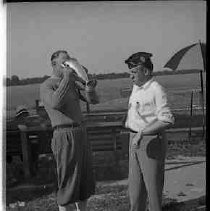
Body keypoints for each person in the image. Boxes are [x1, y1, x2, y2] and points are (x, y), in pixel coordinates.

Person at [40, 50, 95, 211]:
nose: (68, 65)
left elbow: (94, 100)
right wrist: (67, 78)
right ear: (54, 64)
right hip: (63, 135)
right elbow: (56, 103)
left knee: (84, 178)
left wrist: (88, 86)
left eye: (69, 61)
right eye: (64, 62)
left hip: (80, 132)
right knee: (68, 178)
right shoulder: (46, 85)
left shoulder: (71, 82)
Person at [124, 52, 175, 211]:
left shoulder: (156, 89)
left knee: (153, 190)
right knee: (135, 191)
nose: (131, 77)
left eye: (134, 73)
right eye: (130, 73)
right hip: (134, 139)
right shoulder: (137, 87)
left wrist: (143, 133)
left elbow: (167, 119)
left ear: (145, 72)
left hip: (151, 140)